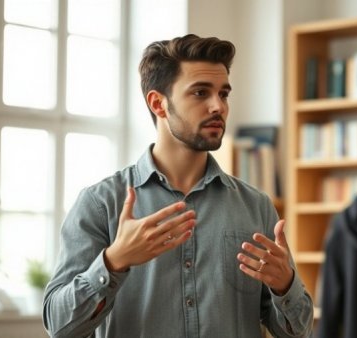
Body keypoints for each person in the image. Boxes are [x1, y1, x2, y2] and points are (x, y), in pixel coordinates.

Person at [43, 34, 314, 338]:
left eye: (223, 94)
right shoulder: (101, 203)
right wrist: (114, 261)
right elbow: (60, 326)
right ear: (158, 103)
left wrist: (284, 285)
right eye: (200, 93)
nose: (218, 107)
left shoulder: (256, 206)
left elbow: (298, 332)